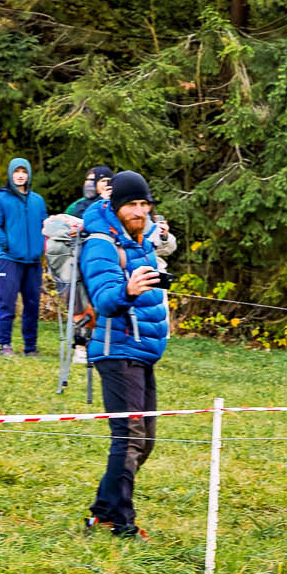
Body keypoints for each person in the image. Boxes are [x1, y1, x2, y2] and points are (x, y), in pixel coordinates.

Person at [79, 170, 169, 538]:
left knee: (144, 441)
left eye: (144, 204)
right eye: (132, 204)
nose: (139, 211)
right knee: (129, 437)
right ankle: (121, 523)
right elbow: (103, 298)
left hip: (142, 350)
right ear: (116, 206)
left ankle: (103, 511)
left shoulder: (140, 240)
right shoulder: (101, 244)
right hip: (115, 350)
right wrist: (127, 291)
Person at [0, 156, 47, 358]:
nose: (20, 175)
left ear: (29, 174)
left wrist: (42, 248)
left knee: (32, 305)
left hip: (33, 262)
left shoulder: (37, 201)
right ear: (10, 174)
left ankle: (30, 346)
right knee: (7, 303)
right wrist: (8, 244)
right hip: (10, 260)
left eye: (24, 171)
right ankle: (5, 344)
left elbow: (45, 227)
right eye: (16, 171)